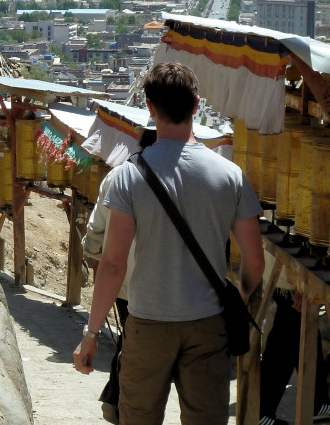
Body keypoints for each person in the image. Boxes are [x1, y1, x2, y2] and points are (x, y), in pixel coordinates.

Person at [73, 62, 265, 425]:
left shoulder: (129, 176)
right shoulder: (230, 175)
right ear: (196, 106)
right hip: (208, 323)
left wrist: (91, 333)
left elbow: (113, 265)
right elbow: (253, 263)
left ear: (149, 107)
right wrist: (236, 300)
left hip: (148, 323)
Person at [82, 126, 157, 424]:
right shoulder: (176, 179)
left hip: (121, 285)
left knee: (131, 341)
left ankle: (114, 400)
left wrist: (94, 256)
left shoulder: (116, 176)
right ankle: (116, 401)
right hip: (152, 286)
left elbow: (96, 227)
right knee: (136, 347)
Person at [259, 256, 330, 425]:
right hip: (292, 280)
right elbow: (297, 235)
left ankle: (318, 402)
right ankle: (261, 412)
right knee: (283, 346)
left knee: (304, 335)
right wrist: (301, 285)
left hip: (288, 275)